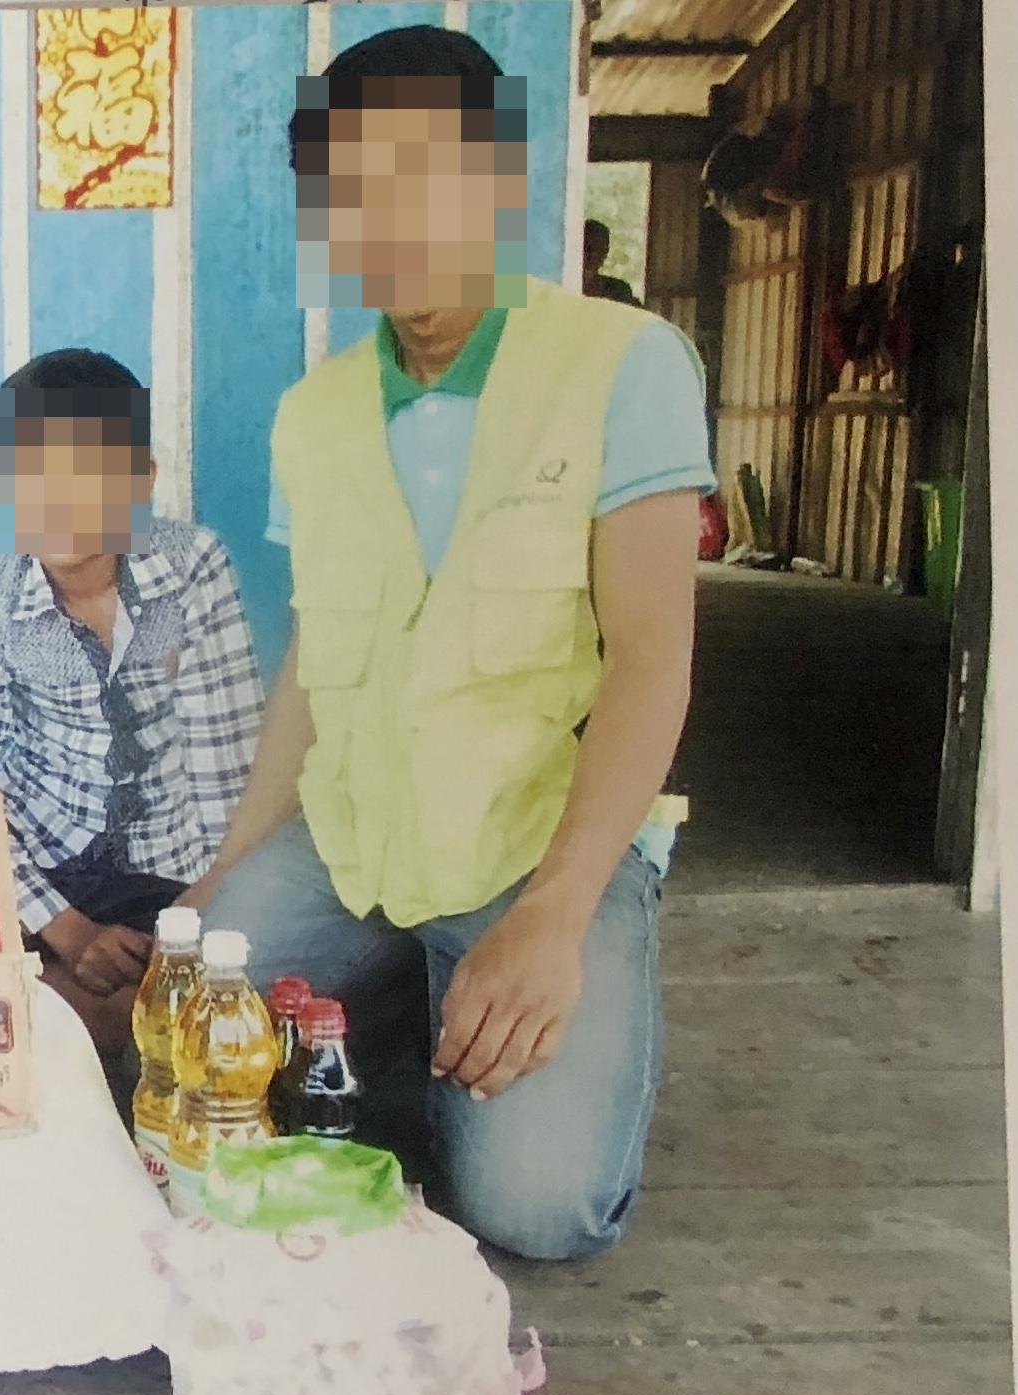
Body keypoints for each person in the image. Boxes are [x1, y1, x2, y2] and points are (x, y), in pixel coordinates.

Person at [183, 27, 714, 1261]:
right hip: (359, 840)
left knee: (536, 1206)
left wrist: (554, 918)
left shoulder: (623, 363)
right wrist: (220, 877)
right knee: (181, 1042)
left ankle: (482, 1013)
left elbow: (652, 658)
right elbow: (314, 664)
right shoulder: (312, 416)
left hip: (539, 846)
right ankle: (409, 1020)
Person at [0, 349, 266, 1098]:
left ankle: (89, 1020)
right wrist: (69, 932)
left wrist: (186, 935)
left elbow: (227, 776)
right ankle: (76, 1014)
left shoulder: (191, 569)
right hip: (41, 876)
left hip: (178, 878)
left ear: (140, 480)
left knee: (206, 1004)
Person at [583, 219, 644, 307]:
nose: (592, 255)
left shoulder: (618, 291)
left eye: (599, 249)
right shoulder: (566, 285)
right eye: (587, 248)